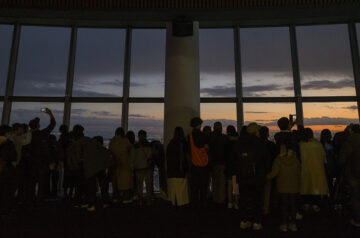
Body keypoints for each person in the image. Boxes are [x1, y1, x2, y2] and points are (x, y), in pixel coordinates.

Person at [234, 123, 269, 231]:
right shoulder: (260, 143)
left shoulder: (239, 143)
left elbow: (235, 161)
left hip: (243, 177)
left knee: (243, 199)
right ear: (256, 131)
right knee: (257, 200)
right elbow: (266, 162)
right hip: (257, 178)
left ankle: (244, 221)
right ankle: (256, 222)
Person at [267, 143, 301, 232]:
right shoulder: (296, 159)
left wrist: (265, 177)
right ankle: (293, 224)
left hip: (282, 186)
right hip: (294, 186)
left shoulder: (278, 160)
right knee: (293, 206)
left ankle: (284, 224)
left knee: (284, 206)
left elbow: (274, 173)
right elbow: (299, 173)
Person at [28, 108, 56, 203]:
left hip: (31, 163)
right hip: (41, 163)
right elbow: (52, 125)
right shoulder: (41, 134)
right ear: (38, 125)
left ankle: (30, 201)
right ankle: (39, 201)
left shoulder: (27, 136)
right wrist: (50, 113)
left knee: (31, 183)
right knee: (41, 182)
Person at [299, 128, 328, 213]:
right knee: (316, 188)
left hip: (305, 171)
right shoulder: (318, 144)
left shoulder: (301, 145)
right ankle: (316, 205)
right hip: (317, 171)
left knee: (306, 186)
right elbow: (323, 157)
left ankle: (306, 204)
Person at [339, 124, 360, 227]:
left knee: (355, 197)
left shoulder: (348, 143)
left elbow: (342, 160)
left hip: (353, 174)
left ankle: (357, 220)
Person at [188, 117, 209, 209]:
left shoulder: (189, 136)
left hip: (194, 164)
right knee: (203, 186)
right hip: (204, 165)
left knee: (194, 187)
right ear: (199, 125)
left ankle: (194, 204)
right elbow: (206, 148)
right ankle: (203, 203)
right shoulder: (203, 136)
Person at [166, 127, 189, 207]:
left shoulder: (171, 143)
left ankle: (174, 201)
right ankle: (181, 202)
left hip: (171, 170)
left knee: (173, 188)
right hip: (181, 170)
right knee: (181, 189)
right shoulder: (183, 143)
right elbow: (185, 157)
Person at [109, 127, 133, 203]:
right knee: (126, 182)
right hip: (125, 164)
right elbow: (131, 150)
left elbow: (110, 151)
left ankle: (115, 197)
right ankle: (126, 198)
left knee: (115, 182)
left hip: (115, 163)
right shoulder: (125, 141)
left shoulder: (112, 141)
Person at [131, 130, 154, 206]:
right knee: (149, 185)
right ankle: (149, 200)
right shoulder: (149, 145)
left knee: (139, 185)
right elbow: (151, 156)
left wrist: (132, 167)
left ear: (139, 136)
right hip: (148, 167)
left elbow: (132, 158)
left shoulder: (135, 146)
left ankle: (140, 200)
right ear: (145, 136)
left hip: (139, 168)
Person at [0, 125, 17, 218]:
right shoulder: (8, 143)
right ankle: (5, 209)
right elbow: (12, 156)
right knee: (6, 190)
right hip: (7, 170)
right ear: (7, 133)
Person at [259, 126, 278, 215]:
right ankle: (266, 208)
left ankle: (260, 207)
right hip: (269, 170)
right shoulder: (271, 145)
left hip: (258, 172)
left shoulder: (257, 144)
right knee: (268, 191)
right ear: (267, 134)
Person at [209, 121, 228, 204]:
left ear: (213, 128)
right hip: (222, 162)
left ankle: (214, 198)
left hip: (212, 163)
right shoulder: (224, 138)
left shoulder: (210, 138)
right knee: (221, 182)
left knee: (214, 181)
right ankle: (220, 199)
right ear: (221, 128)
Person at [225, 125, 239, 210]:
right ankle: (236, 203)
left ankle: (230, 202)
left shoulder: (226, 144)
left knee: (229, 186)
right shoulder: (238, 144)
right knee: (236, 187)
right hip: (236, 168)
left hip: (229, 167)